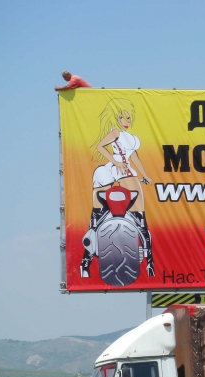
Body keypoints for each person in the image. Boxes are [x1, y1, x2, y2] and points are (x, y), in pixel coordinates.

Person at [81, 98, 154, 278]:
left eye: (128, 118)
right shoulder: (115, 132)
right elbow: (100, 146)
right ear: (116, 117)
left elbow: (134, 157)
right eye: (122, 117)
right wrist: (115, 162)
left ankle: (149, 262)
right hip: (109, 170)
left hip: (125, 170)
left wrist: (144, 175)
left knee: (140, 214)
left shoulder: (132, 139)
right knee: (96, 216)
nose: (126, 121)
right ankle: (86, 262)